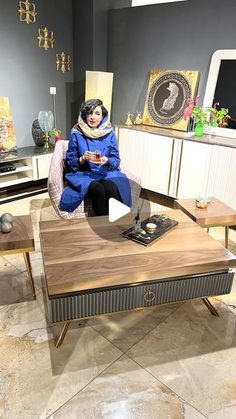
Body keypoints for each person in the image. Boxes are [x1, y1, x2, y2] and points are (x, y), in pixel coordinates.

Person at [60, 98, 132, 215]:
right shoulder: (76, 132)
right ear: (84, 115)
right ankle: (102, 227)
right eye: (89, 113)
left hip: (105, 172)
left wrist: (106, 160)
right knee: (98, 189)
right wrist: (82, 159)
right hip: (83, 175)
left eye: (97, 113)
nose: (92, 117)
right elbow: (70, 161)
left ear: (103, 116)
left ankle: (118, 224)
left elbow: (116, 160)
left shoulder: (109, 133)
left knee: (112, 187)